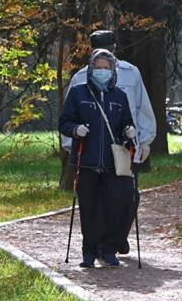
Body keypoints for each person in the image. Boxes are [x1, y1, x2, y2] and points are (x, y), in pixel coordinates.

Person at [62, 30, 156, 255]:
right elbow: (70, 113)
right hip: (95, 151)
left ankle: (116, 237)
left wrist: (144, 141)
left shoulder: (131, 73)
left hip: (123, 148)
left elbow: (140, 109)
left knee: (124, 195)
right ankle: (105, 244)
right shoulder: (81, 77)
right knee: (105, 199)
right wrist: (72, 144)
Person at [59, 49, 137, 268]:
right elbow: (64, 122)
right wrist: (76, 129)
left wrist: (129, 131)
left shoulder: (119, 96)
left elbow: (126, 124)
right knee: (89, 209)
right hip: (86, 161)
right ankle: (89, 252)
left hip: (113, 162)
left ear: (112, 71)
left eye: (106, 68)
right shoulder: (78, 93)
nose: (102, 72)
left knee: (115, 206)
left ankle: (110, 249)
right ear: (91, 69)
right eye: (98, 68)